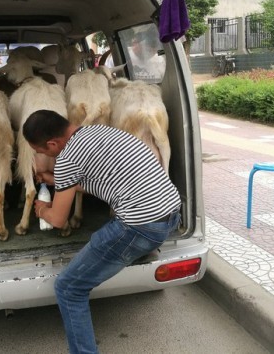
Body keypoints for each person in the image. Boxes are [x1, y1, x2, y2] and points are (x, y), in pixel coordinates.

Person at [23, 109, 181, 354]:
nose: (43, 155)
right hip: (170, 215)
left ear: (53, 143)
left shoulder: (66, 159)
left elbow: (57, 220)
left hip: (139, 227)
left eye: (43, 151)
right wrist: (55, 180)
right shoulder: (102, 132)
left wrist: (42, 209)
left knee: (68, 288)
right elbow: (99, 178)